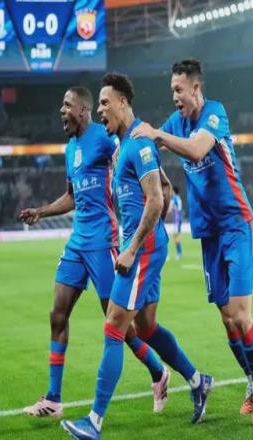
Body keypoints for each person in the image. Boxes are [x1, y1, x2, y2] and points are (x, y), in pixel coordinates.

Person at [61, 74, 213, 440]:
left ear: (122, 102)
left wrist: (133, 248)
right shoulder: (125, 144)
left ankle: (94, 422)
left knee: (114, 326)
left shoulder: (139, 144)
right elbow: (163, 186)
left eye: (104, 103)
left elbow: (158, 198)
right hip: (147, 245)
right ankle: (198, 380)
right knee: (146, 328)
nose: (100, 110)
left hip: (140, 250)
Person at [131, 59, 253, 426]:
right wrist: (125, 147)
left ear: (195, 88)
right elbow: (147, 146)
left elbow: (195, 150)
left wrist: (157, 135)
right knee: (227, 321)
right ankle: (250, 381)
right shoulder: (175, 123)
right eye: (171, 90)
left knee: (241, 315)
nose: (174, 96)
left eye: (179, 89)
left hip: (236, 224)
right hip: (209, 233)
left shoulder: (215, 114)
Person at [19, 86, 168, 419]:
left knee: (118, 324)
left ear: (83, 109)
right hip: (77, 242)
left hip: (104, 241)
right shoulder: (70, 149)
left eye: (67, 105)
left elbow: (132, 151)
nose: (62, 111)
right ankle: (53, 399)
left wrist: (158, 181)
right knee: (57, 315)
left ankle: (158, 371)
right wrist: (41, 211)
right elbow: (72, 196)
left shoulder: (104, 136)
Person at [170, 186, 184, 260]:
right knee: (175, 235)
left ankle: (179, 253)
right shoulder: (178, 198)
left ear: (173, 191)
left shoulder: (174, 198)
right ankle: (179, 252)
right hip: (178, 218)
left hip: (177, 219)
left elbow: (170, 208)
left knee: (176, 236)